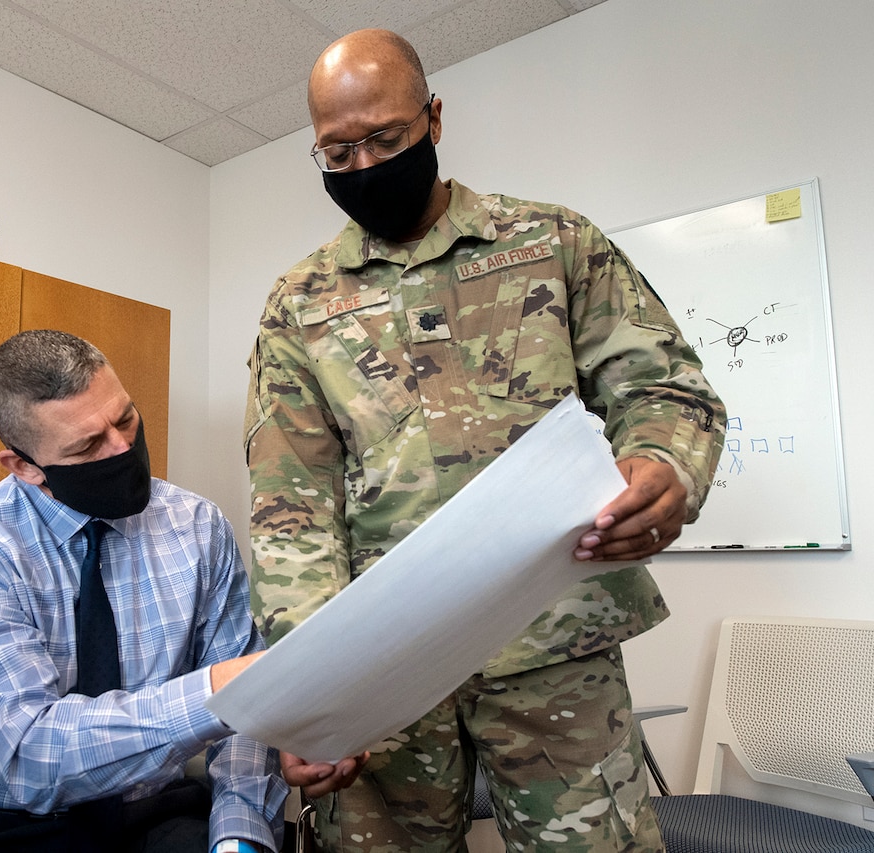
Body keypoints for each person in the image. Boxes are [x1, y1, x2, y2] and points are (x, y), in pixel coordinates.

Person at [244, 29, 726, 853]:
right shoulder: (299, 304)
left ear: (434, 118)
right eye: (336, 152)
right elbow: (292, 512)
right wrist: (312, 693)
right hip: (384, 671)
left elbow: (664, 389)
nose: (362, 167)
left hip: (554, 644)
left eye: (385, 139)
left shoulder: (552, 243)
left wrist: (663, 466)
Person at [0, 330, 360, 853]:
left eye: (125, 418)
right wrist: (217, 692)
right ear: (25, 466)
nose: (123, 448)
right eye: (88, 445)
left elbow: (244, 726)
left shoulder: (198, 526)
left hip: (153, 813)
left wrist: (239, 836)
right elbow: (30, 755)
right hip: (3, 818)